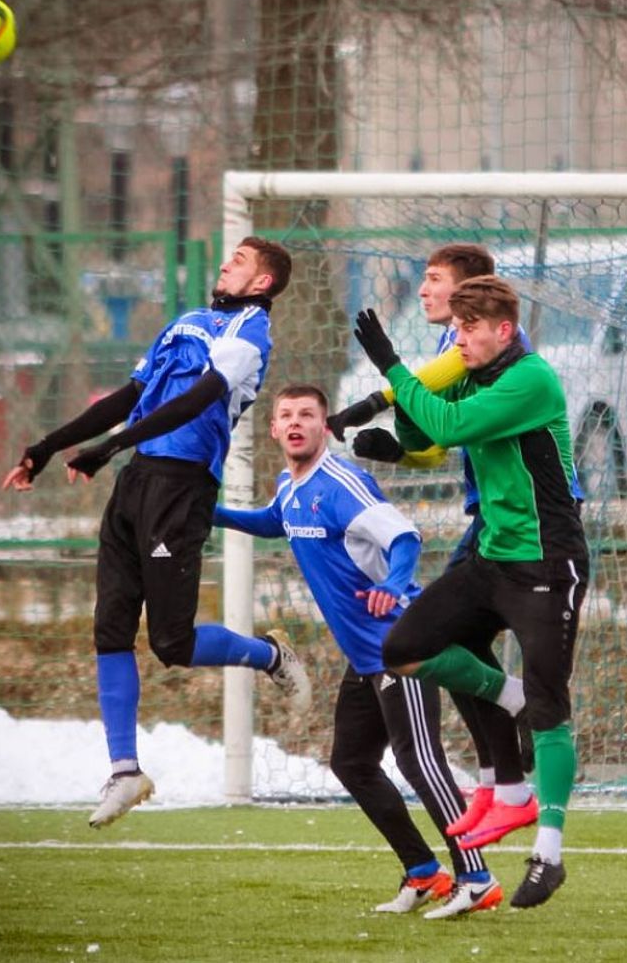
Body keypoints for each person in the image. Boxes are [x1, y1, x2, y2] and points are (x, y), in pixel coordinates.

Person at [0, 236, 311, 829]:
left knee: (173, 644)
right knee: (110, 627)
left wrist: (110, 445)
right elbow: (131, 396)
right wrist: (44, 448)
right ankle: (125, 770)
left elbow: (198, 400)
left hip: (182, 488)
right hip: (137, 480)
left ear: (263, 282)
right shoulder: (187, 322)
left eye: (240, 261)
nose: (226, 264)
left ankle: (269, 655)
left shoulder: (251, 334)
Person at [213, 384, 502, 918]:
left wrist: (393, 582)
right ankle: (424, 872)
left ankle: (477, 877)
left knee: (421, 762)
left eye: (307, 414)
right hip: (366, 656)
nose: (295, 422)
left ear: (324, 427)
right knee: (351, 762)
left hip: (404, 644)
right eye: (286, 415)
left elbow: (405, 537)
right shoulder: (290, 486)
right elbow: (274, 520)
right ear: (273, 429)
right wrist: (213, 514)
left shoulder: (342, 483)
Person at [350, 276, 588, 910]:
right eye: (454, 329)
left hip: (547, 563)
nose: (457, 339)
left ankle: (548, 853)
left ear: (503, 331)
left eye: (468, 329)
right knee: (404, 649)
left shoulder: (532, 379)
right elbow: (425, 434)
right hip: (491, 559)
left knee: (551, 707)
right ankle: (507, 766)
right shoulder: (473, 373)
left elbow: (451, 426)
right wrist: (399, 438)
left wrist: (392, 368)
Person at [328, 244, 536, 844]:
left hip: (525, 524)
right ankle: (501, 779)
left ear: (471, 292)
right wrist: (398, 451)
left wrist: (376, 395)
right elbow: (439, 444)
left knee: (446, 639)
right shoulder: (458, 347)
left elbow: (428, 394)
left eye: (434, 278)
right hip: (491, 519)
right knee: (457, 642)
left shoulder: (481, 352)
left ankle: (523, 739)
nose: (422, 290)